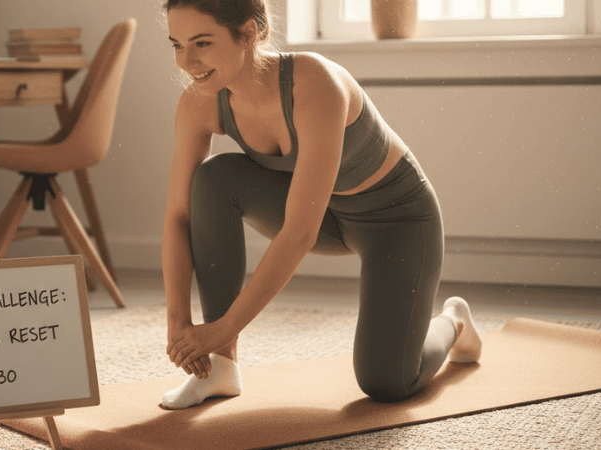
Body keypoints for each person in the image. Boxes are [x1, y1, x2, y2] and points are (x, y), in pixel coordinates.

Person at [160, 0, 483, 410]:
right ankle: (221, 368)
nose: (186, 61)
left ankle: (454, 321)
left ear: (248, 33)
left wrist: (222, 327)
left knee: (388, 382)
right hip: (327, 215)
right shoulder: (199, 102)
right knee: (212, 180)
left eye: (202, 43)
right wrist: (177, 322)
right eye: (177, 45)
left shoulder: (314, 83)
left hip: (396, 222)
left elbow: (299, 233)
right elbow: (179, 214)